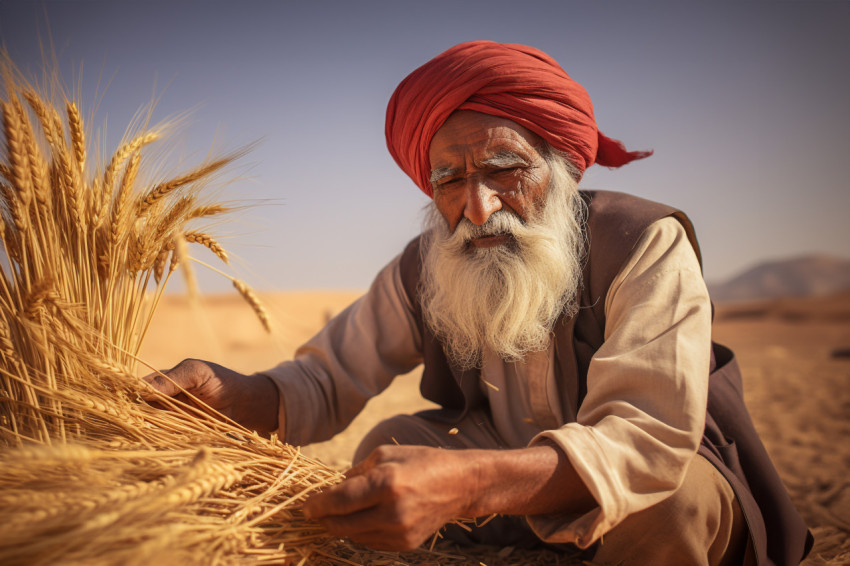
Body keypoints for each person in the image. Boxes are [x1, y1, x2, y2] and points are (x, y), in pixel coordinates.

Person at [148, 41, 812, 565]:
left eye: (504, 169)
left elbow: (646, 438)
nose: (478, 206)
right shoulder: (426, 265)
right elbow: (325, 379)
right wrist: (234, 394)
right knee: (389, 447)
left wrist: (469, 485)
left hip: (660, 473)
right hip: (510, 466)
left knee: (657, 508)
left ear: (560, 170)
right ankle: (540, 533)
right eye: (450, 179)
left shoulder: (642, 241)